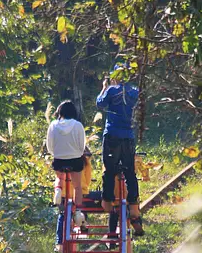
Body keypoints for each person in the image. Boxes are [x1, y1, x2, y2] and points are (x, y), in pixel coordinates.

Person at [96, 64, 144, 237]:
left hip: (112, 136)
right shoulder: (134, 91)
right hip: (128, 136)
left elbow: (99, 104)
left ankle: (108, 201)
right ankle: (133, 205)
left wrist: (104, 87)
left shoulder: (111, 90)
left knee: (110, 170)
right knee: (130, 172)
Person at [46, 102, 86, 239]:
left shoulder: (53, 125)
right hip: (75, 160)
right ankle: (78, 210)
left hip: (59, 160)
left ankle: (58, 189)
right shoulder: (78, 125)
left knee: (60, 176)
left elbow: (49, 147)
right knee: (77, 186)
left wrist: (57, 153)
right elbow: (82, 146)